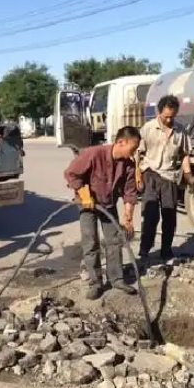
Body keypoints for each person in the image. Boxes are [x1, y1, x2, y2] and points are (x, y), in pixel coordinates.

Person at [64, 126, 141, 300]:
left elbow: (129, 192)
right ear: (121, 142)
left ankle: (116, 279)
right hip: (87, 204)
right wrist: (85, 195)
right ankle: (96, 283)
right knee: (91, 242)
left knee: (114, 241)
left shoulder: (128, 164)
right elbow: (71, 174)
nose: (134, 153)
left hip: (108, 203)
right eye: (133, 148)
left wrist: (128, 218)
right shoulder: (93, 154)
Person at [137, 95, 194, 262]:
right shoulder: (148, 129)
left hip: (169, 176)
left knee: (169, 215)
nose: (169, 120)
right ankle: (144, 249)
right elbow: (138, 154)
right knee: (150, 215)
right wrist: (137, 176)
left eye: (172, 116)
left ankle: (166, 250)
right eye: (166, 117)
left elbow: (185, 155)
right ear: (159, 112)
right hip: (150, 173)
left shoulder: (180, 131)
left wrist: (189, 176)